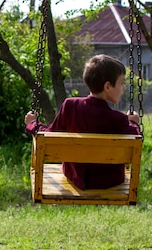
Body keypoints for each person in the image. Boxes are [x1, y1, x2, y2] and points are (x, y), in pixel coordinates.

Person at [25, 54, 141, 190]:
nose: (124, 88)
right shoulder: (119, 119)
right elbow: (137, 139)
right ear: (108, 86)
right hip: (109, 181)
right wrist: (134, 122)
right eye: (122, 83)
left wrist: (33, 123)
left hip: (75, 177)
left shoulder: (70, 106)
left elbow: (48, 135)